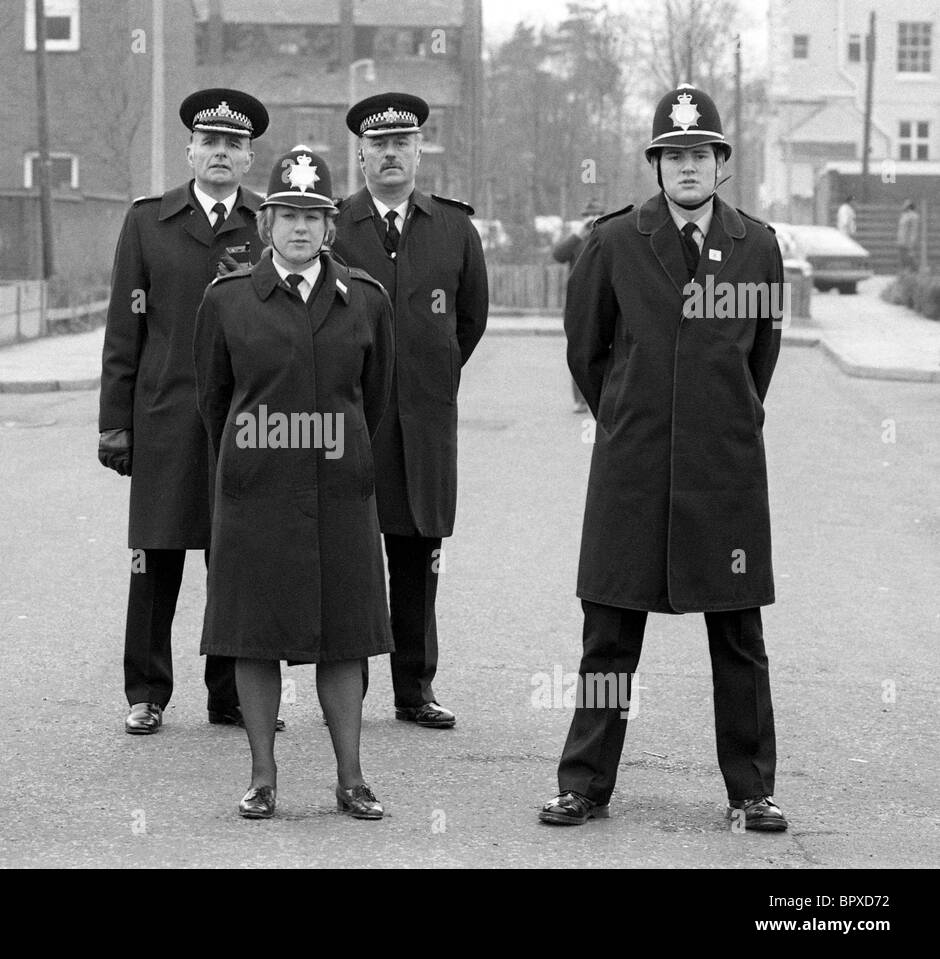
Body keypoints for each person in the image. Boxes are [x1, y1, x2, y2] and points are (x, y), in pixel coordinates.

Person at [542, 83, 786, 832]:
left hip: (724, 471)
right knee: (609, 632)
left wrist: (723, 416)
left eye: (700, 154)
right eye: (673, 154)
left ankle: (751, 788)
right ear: (656, 164)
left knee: (738, 635)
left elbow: (760, 354)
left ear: (721, 163)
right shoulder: (615, 241)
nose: (687, 167)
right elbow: (588, 349)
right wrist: (626, 411)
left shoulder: (758, 245)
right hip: (635, 468)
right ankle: (585, 781)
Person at [194, 146, 395, 819]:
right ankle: (261, 775)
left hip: (341, 491)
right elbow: (215, 401)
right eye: (288, 215)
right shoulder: (227, 303)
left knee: (346, 635)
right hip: (257, 492)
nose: (301, 228)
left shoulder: (365, 299)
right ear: (266, 222)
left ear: (330, 226)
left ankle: (351, 777)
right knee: (255, 634)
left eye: (314, 215)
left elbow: (377, 398)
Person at [99, 88, 285, 736]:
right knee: (154, 559)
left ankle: (230, 693)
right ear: (190, 150)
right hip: (166, 418)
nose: (221, 153)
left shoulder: (270, 226)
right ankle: (146, 691)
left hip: (245, 421)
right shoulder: (148, 222)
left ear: (250, 156)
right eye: (210, 142)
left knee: (235, 560)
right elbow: (124, 330)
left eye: (234, 145)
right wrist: (115, 423)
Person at [331, 93, 488, 730]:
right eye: (378, 145)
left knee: (418, 556)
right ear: (361, 154)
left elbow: (470, 321)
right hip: (351, 422)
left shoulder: (454, 228)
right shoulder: (334, 225)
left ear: (421, 150)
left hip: (423, 424)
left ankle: (415, 689)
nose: (390, 154)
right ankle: (347, 689)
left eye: (403, 143)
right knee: (350, 556)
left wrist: (432, 374)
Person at [552, 198, 605, 412]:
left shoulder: (609, 238)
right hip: (579, 306)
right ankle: (581, 400)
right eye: (587, 216)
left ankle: (602, 398)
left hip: (604, 302)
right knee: (580, 353)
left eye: (596, 215)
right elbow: (558, 255)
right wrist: (577, 234)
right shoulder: (577, 241)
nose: (591, 220)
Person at [897, 200, 920, 273]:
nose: (903, 206)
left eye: (905, 205)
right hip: (902, 241)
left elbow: (912, 229)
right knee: (904, 258)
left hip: (907, 241)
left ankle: (915, 271)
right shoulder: (905, 215)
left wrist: (910, 241)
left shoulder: (912, 216)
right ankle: (907, 272)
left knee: (909, 257)